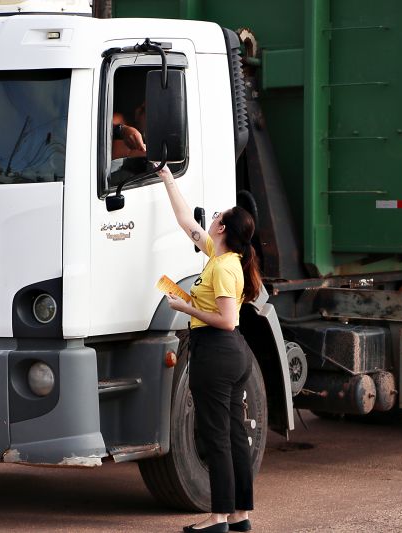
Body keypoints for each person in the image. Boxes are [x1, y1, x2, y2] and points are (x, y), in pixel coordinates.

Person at [158, 164, 262, 533]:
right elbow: (187, 221)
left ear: (221, 229)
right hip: (231, 354)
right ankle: (240, 515)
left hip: (217, 350)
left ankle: (217, 517)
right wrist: (168, 179)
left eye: (217, 216)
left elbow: (228, 319)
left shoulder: (221, 269)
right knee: (234, 434)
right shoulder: (223, 258)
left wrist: (184, 306)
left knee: (216, 435)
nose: (212, 216)